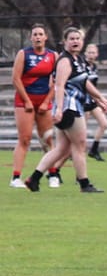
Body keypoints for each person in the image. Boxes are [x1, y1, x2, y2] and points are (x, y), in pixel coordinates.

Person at [19, 26, 107, 193]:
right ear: (64, 42)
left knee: (62, 149)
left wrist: (100, 98)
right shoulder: (65, 60)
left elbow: (85, 82)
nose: (75, 41)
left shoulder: (78, 60)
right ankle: (84, 183)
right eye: (71, 39)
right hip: (69, 108)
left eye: (78, 39)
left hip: (73, 107)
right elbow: (59, 86)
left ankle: (34, 179)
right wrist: (59, 109)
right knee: (80, 145)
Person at [11, 23, 58, 187]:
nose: (38, 37)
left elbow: (57, 81)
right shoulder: (23, 54)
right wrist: (27, 101)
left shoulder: (53, 56)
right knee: (25, 139)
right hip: (24, 100)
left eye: (40, 34)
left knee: (48, 139)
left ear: (45, 37)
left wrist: (46, 101)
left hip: (44, 100)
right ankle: (16, 178)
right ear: (31, 38)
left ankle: (53, 175)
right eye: (35, 34)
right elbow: (16, 79)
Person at [81, 43, 107, 161]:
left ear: (97, 54)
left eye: (93, 53)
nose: (91, 55)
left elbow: (94, 87)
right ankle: (73, 152)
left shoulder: (94, 67)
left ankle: (94, 149)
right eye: (89, 52)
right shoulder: (82, 66)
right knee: (81, 131)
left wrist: (100, 101)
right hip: (84, 101)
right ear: (85, 53)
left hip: (93, 101)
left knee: (104, 124)